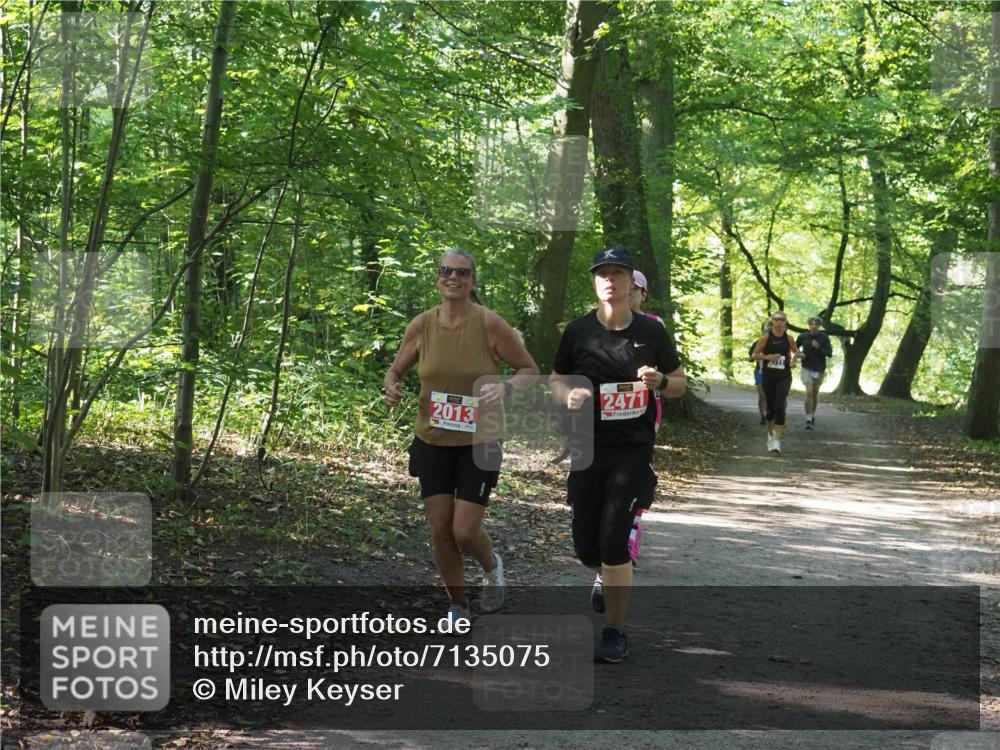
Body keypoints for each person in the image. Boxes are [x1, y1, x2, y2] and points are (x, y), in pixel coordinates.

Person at [384, 250, 538, 627]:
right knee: (440, 529)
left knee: (464, 531)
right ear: (438, 278)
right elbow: (396, 369)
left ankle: (491, 566)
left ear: (473, 281)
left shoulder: (489, 324)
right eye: (446, 271)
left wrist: (505, 388)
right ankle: (457, 605)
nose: (453, 277)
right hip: (432, 440)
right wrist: (393, 386)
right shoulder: (421, 325)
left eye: (462, 272)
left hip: (479, 441)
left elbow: (528, 368)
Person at [549, 247, 687, 664]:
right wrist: (567, 393)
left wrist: (661, 379)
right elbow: (556, 378)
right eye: (603, 273)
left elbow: (680, 384)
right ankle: (602, 572)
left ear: (632, 282)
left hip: (632, 447)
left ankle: (614, 630)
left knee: (613, 539)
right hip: (587, 446)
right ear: (595, 282)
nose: (611, 280)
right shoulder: (577, 331)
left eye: (619, 273)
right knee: (587, 547)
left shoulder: (652, 332)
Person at [626, 270, 666, 567]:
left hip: (645, 406)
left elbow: (670, 371)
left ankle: (631, 531)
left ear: (644, 293)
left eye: (635, 288)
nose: (629, 293)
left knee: (638, 465)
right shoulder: (595, 324)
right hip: (603, 409)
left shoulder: (654, 325)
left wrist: (658, 378)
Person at [751, 311, 800, 454]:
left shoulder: (789, 338)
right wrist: (769, 357)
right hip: (768, 376)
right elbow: (754, 355)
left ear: (786, 323)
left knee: (780, 406)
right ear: (772, 322)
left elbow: (795, 353)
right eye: (776, 319)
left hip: (784, 376)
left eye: (782, 320)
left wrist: (794, 360)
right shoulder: (766, 338)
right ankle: (770, 434)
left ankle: (777, 441)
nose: (779, 322)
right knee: (771, 407)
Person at [796, 316, 834, 430]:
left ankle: (812, 416)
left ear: (819, 326)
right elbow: (794, 348)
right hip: (806, 367)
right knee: (808, 393)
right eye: (812, 324)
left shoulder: (824, 337)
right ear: (809, 325)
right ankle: (808, 419)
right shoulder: (803, 336)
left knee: (815, 393)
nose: (814, 326)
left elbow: (829, 353)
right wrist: (799, 354)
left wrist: (819, 348)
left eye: (816, 324)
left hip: (819, 368)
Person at [750, 321, 771, 426]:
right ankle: (763, 415)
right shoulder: (756, 343)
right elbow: (751, 357)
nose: (767, 330)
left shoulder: (775, 343)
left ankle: (767, 414)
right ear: (762, 330)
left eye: (769, 328)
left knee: (767, 395)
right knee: (762, 395)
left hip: (771, 373)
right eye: (765, 328)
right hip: (759, 371)